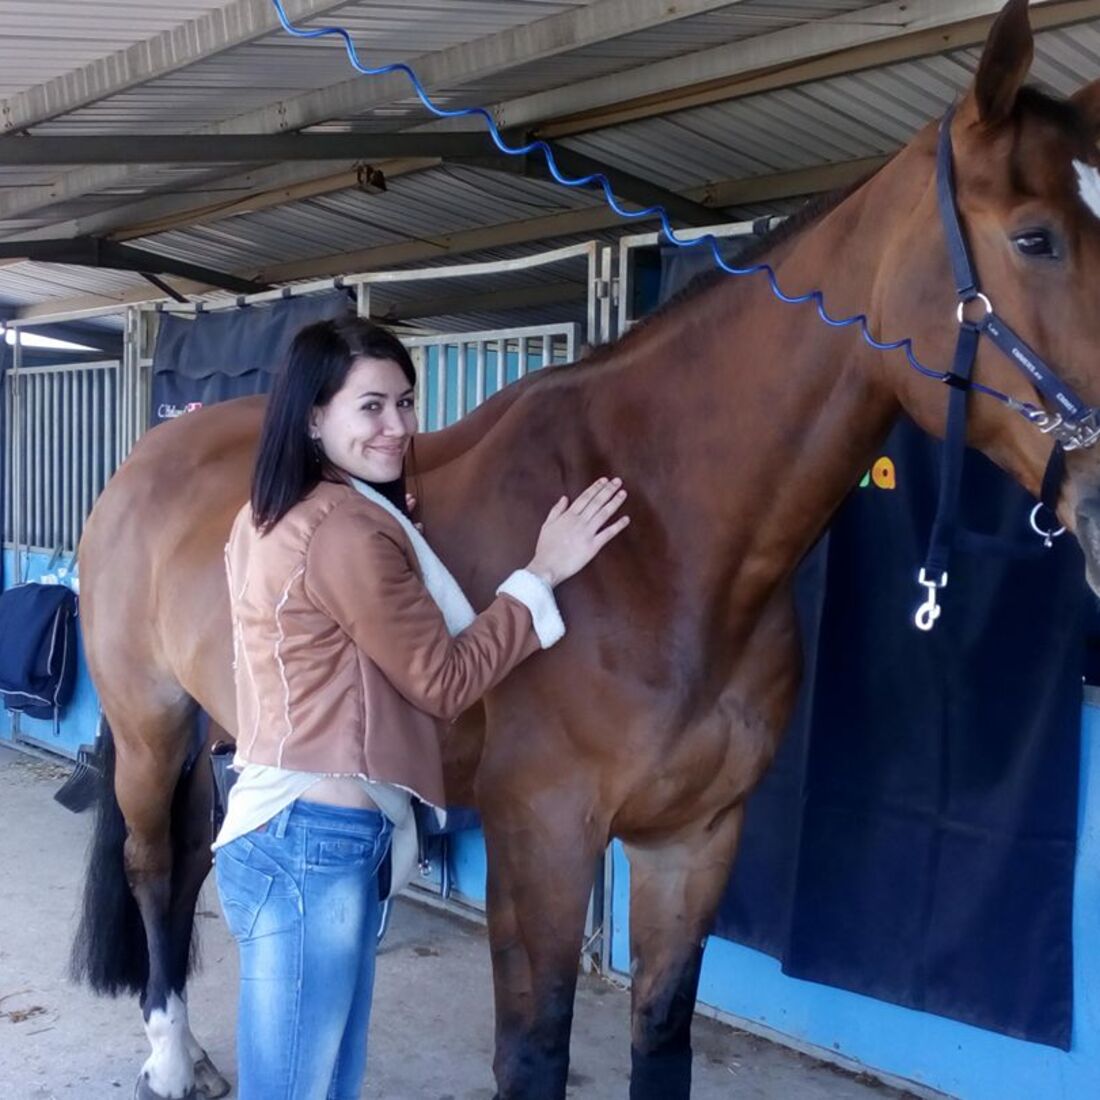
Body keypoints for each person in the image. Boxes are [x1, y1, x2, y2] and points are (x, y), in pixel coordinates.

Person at [213, 315, 628, 1100]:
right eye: (370, 406)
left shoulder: (270, 514)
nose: (398, 426)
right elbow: (441, 679)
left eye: (405, 402)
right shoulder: (343, 530)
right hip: (314, 840)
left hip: (298, 830)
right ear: (313, 416)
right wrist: (543, 570)